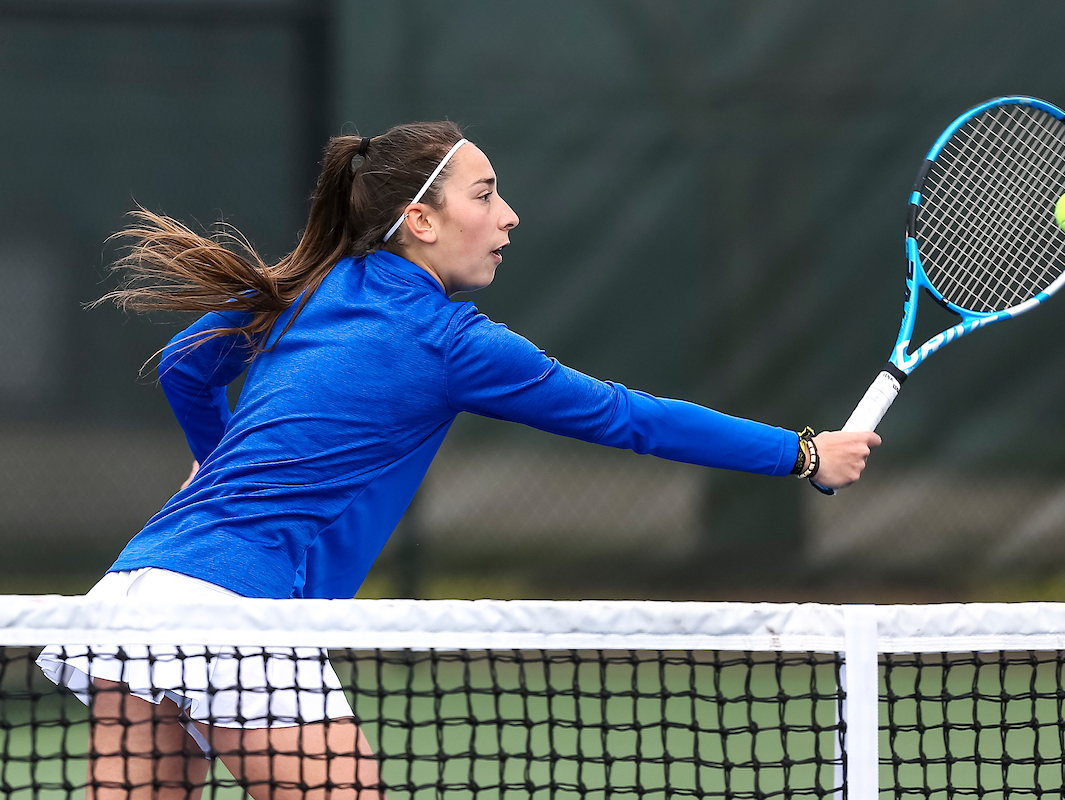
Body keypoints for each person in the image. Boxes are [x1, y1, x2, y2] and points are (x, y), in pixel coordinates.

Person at [38, 121, 880, 800]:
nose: (509, 214)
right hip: (237, 613)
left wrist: (212, 462)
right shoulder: (450, 342)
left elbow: (189, 366)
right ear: (422, 220)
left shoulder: (313, 285)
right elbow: (628, 418)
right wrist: (802, 454)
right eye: (486, 194)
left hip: (136, 593)